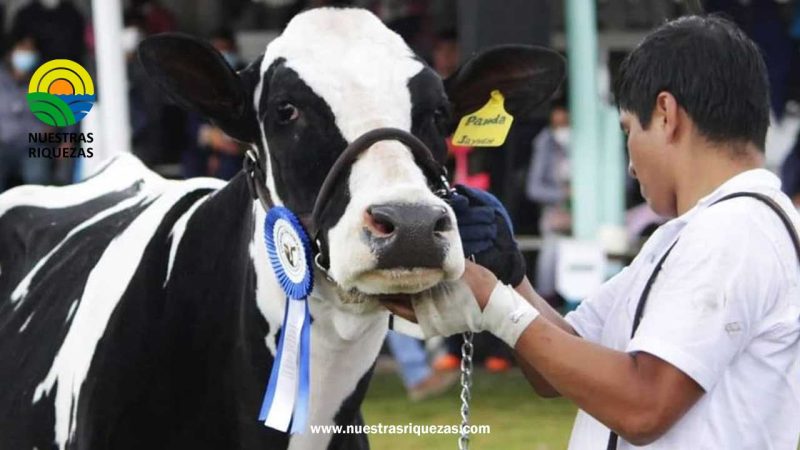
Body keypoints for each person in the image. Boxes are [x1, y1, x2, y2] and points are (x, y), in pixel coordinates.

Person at [382, 15, 800, 449]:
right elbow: (560, 363)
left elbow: (643, 407)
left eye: (627, 130)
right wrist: (509, 275)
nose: (631, 162)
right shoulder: (689, 233)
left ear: (665, 115)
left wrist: (492, 301)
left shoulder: (734, 231)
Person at [525, 101, 571, 306]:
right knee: (550, 264)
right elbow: (534, 188)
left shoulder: (590, 140)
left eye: (566, 123)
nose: (562, 129)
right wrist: (564, 194)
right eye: (557, 125)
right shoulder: (545, 143)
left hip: (588, 220)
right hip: (556, 220)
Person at [0, 33, 51, 192]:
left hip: (34, 145)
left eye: (30, 51)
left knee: (38, 179)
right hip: (3, 146)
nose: (26, 56)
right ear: (10, 53)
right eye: (22, 50)